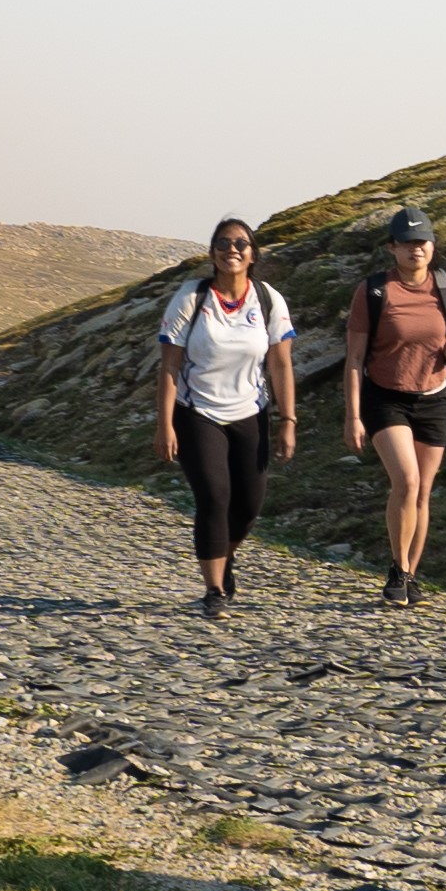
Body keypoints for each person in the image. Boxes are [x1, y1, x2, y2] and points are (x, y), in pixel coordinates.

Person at [156, 215, 295, 620]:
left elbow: (281, 365)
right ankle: (214, 589)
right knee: (215, 497)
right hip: (197, 412)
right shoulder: (190, 297)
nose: (231, 249)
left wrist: (289, 420)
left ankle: (222, 555)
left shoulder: (268, 299)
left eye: (240, 243)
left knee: (248, 507)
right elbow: (168, 366)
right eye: (222, 243)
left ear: (252, 254)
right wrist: (164, 424)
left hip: (251, 413)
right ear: (212, 252)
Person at [340, 206, 446, 608]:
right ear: (392, 248)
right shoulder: (374, 291)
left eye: (422, 241)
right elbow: (355, 359)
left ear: (433, 246)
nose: (416, 249)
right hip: (385, 397)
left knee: (424, 491)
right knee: (407, 483)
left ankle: (411, 574)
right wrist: (353, 415)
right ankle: (397, 569)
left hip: (433, 397)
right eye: (407, 243)